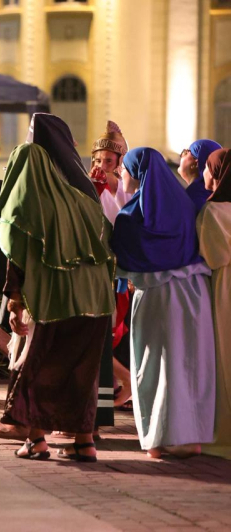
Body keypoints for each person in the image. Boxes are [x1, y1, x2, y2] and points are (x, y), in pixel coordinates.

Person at [0, 142, 115, 462]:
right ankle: (84, 443)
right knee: (82, 374)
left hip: (55, 301)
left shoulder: (25, 204)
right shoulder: (81, 200)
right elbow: (108, 244)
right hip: (97, 301)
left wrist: (15, 304)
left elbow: (16, 257)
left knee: (39, 369)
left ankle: (35, 441)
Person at [111, 147, 215, 459]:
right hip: (193, 293)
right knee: (187, 366)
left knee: (153, 367)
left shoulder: (133, 215)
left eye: (125, 170)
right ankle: (189, 438)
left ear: (139, 173)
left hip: (156, 296)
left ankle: (157, 440)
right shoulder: (185, 206)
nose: (121, 175)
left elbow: (124, 252)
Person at [89, 121, 134, 408]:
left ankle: (126, 383)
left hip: (121, 270)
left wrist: (109, 187)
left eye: (108, 160)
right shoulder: (90, 184)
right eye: (98, 159)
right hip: (97, 267)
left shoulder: (129, 190)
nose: (102, 164)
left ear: (119, 162)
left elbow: (124, 221)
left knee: (116, 328)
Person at [196, 148, 231, 460]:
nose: (202, 174)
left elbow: (212, 256)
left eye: (206, 168)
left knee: (223, 356)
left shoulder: (214, 212)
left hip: (223, 288)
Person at [178, 139, 222, 210]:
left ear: (196, 163)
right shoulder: (216, 193)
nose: (181, 156)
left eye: (185, 153)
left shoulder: (194, 195)